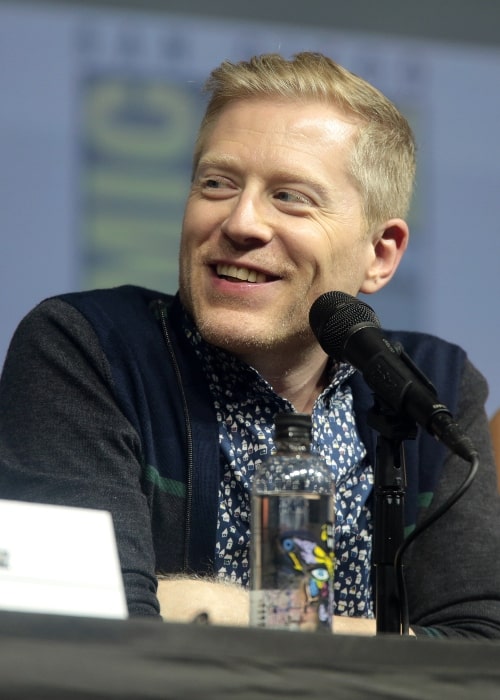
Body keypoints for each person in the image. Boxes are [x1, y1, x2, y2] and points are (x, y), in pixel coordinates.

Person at [1, 51, 499, 638]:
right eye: (217, 183)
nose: (241, 222)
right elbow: (96, 632)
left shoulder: (430, 384)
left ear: (380, 253)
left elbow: (477, 648)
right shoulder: (86, 349)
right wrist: (378, 641)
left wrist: (207, 608)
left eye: (291, 196)